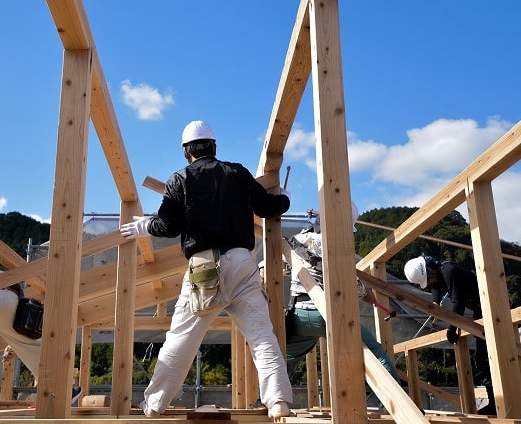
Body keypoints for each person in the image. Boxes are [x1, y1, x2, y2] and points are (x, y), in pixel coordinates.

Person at [120, 120, 293, 418]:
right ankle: (278, 401)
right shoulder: (236, 172)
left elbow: (168, 226)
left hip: (203, 269)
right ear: (213, 146)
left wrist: (142, 226)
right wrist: (284, 200)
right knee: (262, 335)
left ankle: (155, 404)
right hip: (241, 263)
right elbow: (267, 207)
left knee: (182, 339)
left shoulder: (179, 179)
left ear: (186, 151)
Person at [278, 205, 400, 382]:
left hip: (298, 317)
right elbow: (350, 280)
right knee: (374, 351)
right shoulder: (336, 246)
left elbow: (285, 269)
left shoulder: (295, 240)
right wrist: (367, 295)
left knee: (287, 358)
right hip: (327, 315)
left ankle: (270, 398)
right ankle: (396, 404)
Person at [0, 268, 83, 406]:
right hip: (11, 299)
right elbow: (18, 305)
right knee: (32, 347)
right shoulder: (0, 273)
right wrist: (11, 345)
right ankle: (61, 391)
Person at [404, 255, 496, 415]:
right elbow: (437, 288)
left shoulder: (450, 272)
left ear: (431, 270)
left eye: (429, 280)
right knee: (482, 358)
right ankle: (495, 402)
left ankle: (497, 403)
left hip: (491, 309)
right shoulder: (441, 271)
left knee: (487, 357)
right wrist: (434, 305)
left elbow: (457, 303)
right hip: (480, 310)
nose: (430, 284)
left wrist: (451, 329)